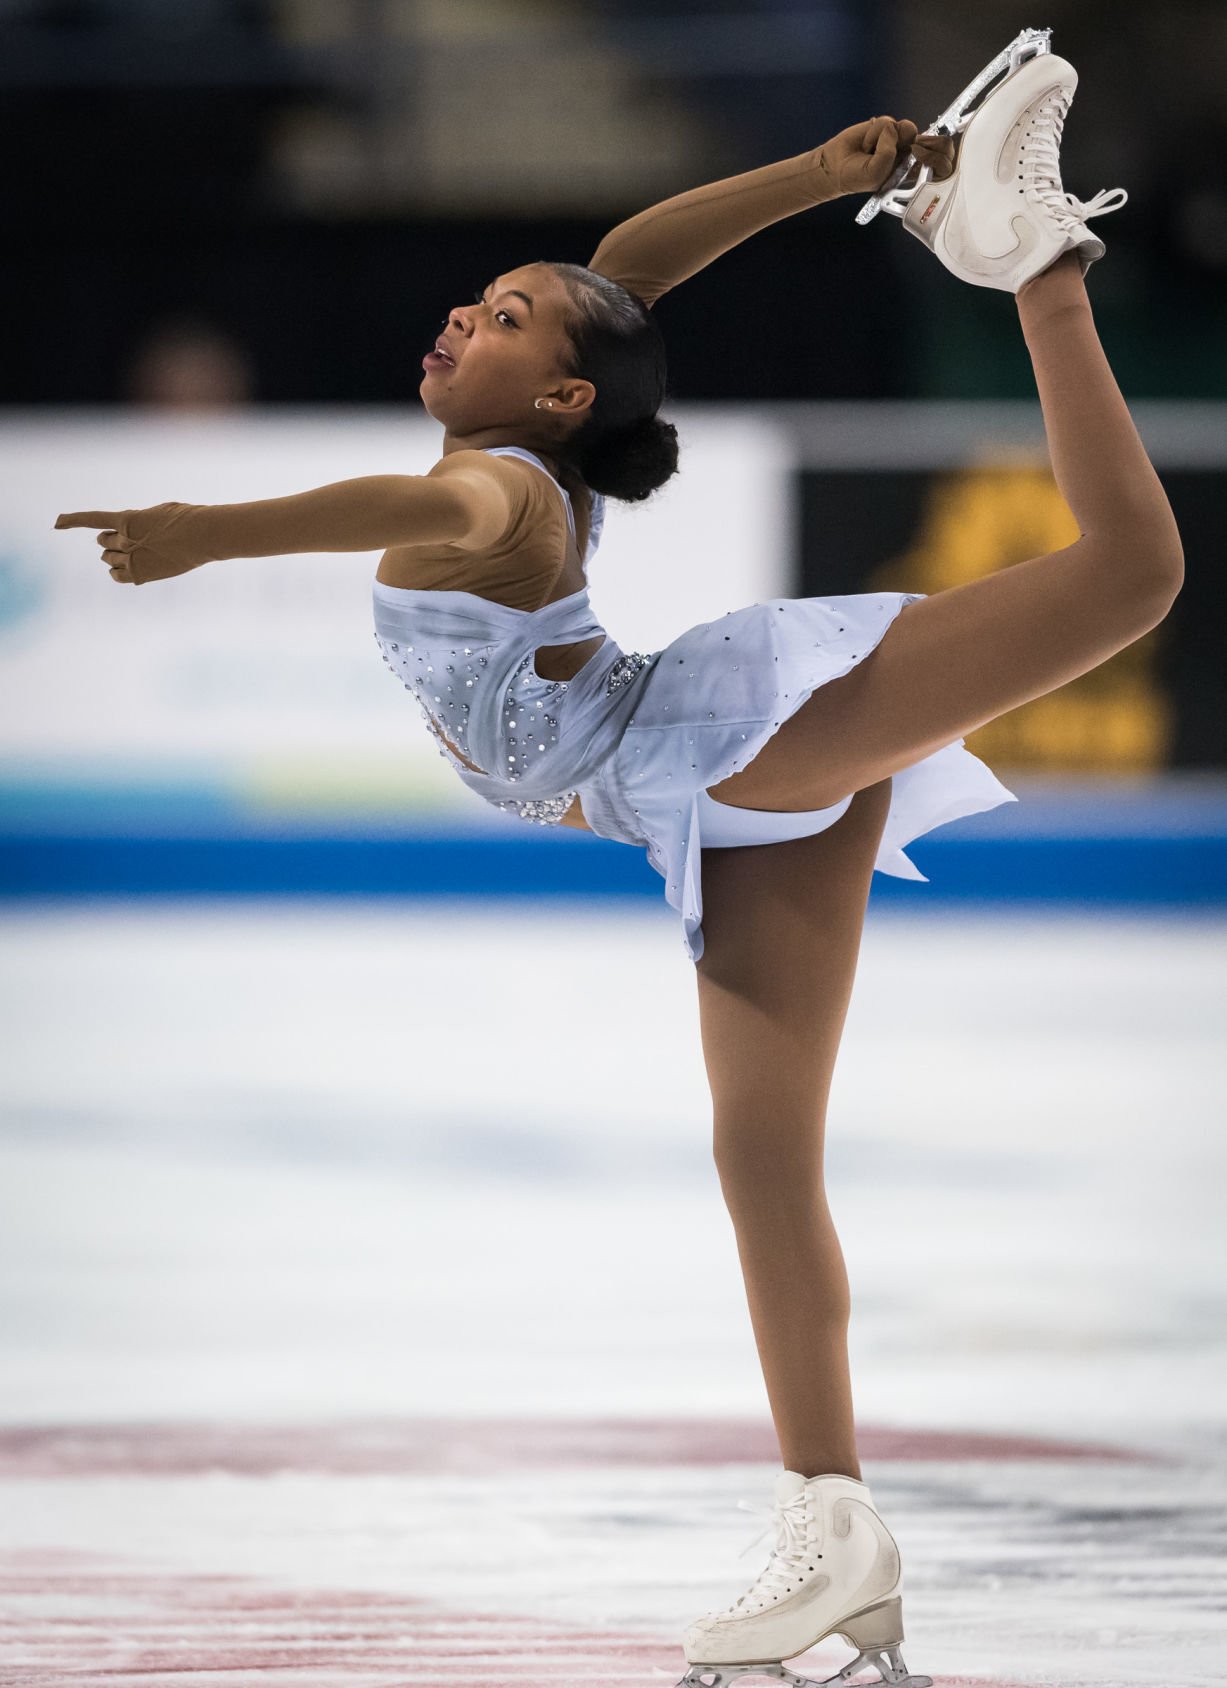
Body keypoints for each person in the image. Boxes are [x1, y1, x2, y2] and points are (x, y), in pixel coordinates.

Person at [55, 46, 1181, 1688]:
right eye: (486, 299)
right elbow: (629, 272)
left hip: (724, 745)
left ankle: (1040, 264)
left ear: (558, 402)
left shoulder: (501, 491)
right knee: (762, 1157)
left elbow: (405, 496)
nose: (466, 316)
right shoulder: (549, 441)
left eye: (502, 320)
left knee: (1129, 577)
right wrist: (814, 172)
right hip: (702, 798)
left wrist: (213, 528)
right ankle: (833, 1524)